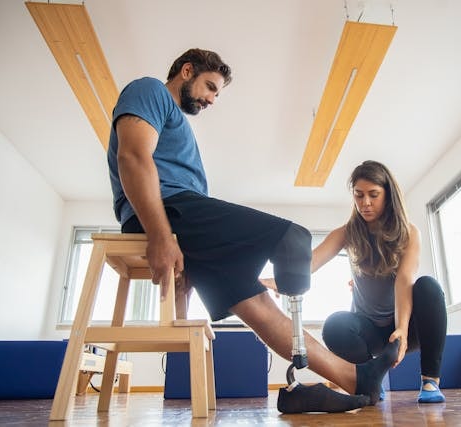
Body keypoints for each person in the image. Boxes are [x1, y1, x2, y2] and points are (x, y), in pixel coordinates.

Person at [106, 48, 398, 413]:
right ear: (186, 71)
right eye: (210, 87)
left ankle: (355, 377)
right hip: (167, 212)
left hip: (184, 223)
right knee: (294, 238)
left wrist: (195, 255)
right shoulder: (148, 90)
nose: (211, 99)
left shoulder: (178, 130)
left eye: (216, 93)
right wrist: (162, 236)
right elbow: (132, 157)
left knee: (256, 300)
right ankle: (329, 365)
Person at [263, 160, 448, 403]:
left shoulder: (410, 233)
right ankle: (369, 381)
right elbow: (311, 262)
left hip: (404, 327)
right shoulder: (347, 232)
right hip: (368, 332)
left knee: (429, 287)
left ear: (388, 195)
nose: (365, 203)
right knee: (334, 325)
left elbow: (404, 279)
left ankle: (430, 382)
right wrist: (280, 280)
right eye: (359, 196)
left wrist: (401, 328)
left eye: (373, 195)